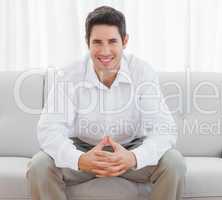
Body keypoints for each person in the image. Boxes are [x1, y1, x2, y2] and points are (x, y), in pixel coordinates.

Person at [26, 5, 186, 200]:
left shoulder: (142, 72)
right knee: (39, 166)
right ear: (87, 43)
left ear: (124, 41)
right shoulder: (69, 75)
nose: (105, 51)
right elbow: (49, 128)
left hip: (130, 149)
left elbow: (164, 129)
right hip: (83, 150)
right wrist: (80, 160)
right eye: (97, 42)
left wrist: (134, 157)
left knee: (174, 163)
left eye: (112, 41)